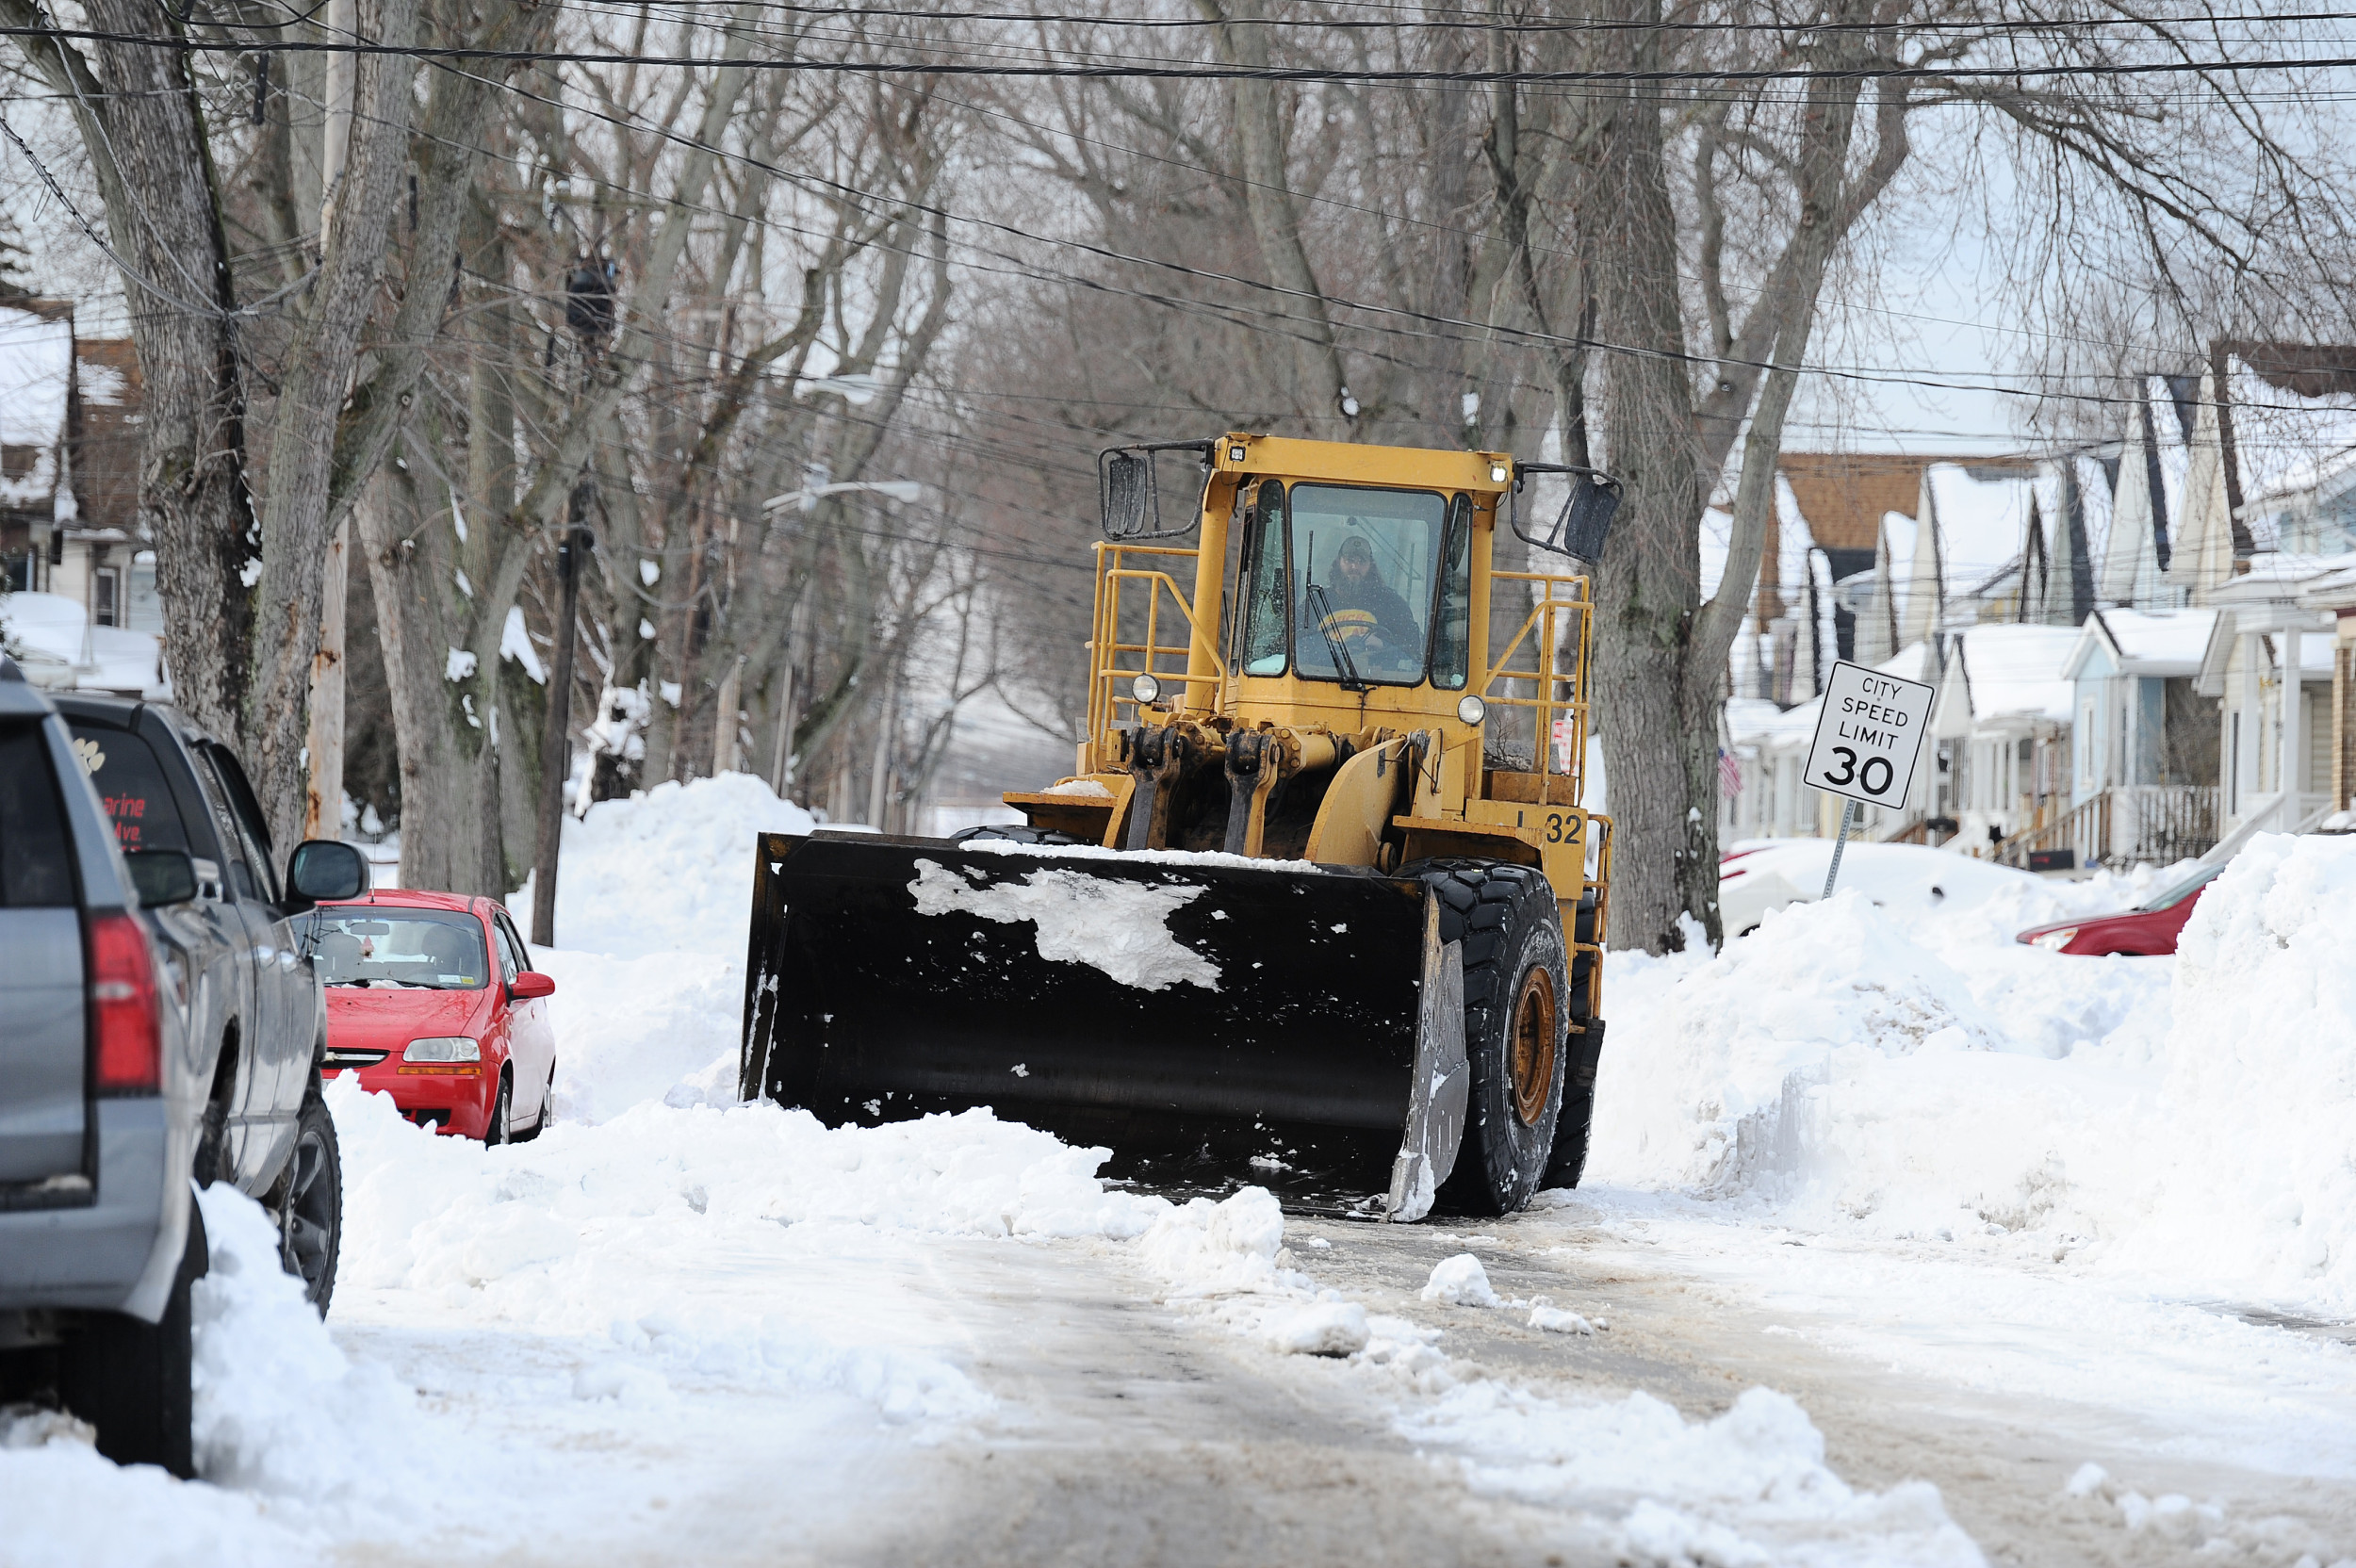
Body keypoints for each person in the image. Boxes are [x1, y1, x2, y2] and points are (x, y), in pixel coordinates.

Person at [1301, 532, 1420, 661]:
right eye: (1349, 560)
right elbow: (1295, 642)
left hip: (1382, 678)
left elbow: (1412, 646)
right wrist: (1326, 647)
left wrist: (1383, 644)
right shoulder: (1317, 602)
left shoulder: (1391, 603)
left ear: (1371, 565)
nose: (1355, 567)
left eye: (1361, 561)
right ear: (1338, 562)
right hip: (1317, 676)